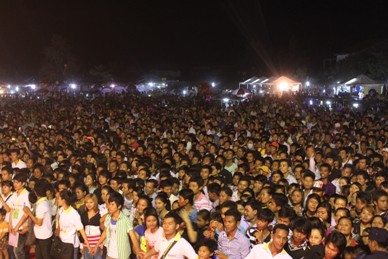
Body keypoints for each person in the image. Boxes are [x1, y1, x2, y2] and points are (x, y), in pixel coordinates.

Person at [92, 192, 140, 259]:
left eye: (112, 204)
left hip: (122, 255)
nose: (109, 207)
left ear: (119, 206)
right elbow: (105, 232)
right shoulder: (108, 217)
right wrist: (96, 246)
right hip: (110, 253)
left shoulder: (125, 220)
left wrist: (138, 252)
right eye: (109, 204)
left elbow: (133, 237)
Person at [56, 190, 91, 259]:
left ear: (64, 200)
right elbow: (59, 224)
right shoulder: (61, 210)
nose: (57, 200)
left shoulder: (74, 214)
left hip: (71, 244)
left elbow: (81, 230)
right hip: (61, 242)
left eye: (58, 198)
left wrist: (87, 245)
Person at [22, 180, 52, 259]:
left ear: (35, 192)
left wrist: (29, 213)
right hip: (42, 235)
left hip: (44, 236)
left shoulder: (41, 205)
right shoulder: (45, 201)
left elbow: (39, 222)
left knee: (45, 256)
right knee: (39, 256)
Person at [80, 194, 101, 259]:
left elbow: (103, 230)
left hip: (98, 242)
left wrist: (101, 245)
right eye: (87, 202)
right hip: (87, 242)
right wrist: (81, 245)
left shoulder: (100, 214)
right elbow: (81, 230)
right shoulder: (83, 215)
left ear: (95, 202)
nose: (88, 204)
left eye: (91, 202)